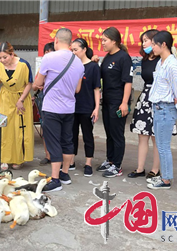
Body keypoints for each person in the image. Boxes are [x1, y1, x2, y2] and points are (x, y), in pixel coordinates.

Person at [32, 28, 84, 192]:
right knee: (67, 141)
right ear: (70, 43)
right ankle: (65, 174)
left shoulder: (49, 57)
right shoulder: (78, 63)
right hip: (69, 108)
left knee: (53, 142)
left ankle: (55, 180)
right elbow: (77, 89)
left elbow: (37, 82)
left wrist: (43, 82)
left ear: (56, 41)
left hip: (52, 108)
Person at [146, 30, 177, 190]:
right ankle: (164, 177)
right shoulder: (161, 62)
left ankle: (165, 180)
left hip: (165, 108)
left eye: (154, 45)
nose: (152, 49)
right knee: (160, 144)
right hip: (158, 107)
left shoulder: (172, 64)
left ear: (163, 45)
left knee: (163, 145)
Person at [128, 29, 170, 180]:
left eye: (146, 40)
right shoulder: (145, 59)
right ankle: (140, 168)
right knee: (142, 135)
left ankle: (155, 169)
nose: (143, 43)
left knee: (156, 137)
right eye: (142, 41)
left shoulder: (164, 59)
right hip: (146, 97)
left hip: (160, 99)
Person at [0, 41, 35, 170]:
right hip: (5, 98)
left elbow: (29, 84)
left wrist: (20, 100)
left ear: (12, 54)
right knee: (4, 127)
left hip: (21, 98)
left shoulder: (23, 65)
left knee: (19, 129)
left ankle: (18, 159)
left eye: (5, 57)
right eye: (0, 58)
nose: (2, 60)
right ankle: (4, 158)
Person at [96, 27, 133, 178]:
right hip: (107, 101)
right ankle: (110, 160)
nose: (102, 43)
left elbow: (128, 82)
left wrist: (124, 103)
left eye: (105, 40)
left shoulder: (124, 57)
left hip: (118, 102)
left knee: (117, 134)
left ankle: (117, 166)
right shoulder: (107, 57)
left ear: (114, 41)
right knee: (109, 133)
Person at [70, 38, 101, 177]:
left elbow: (96, 89)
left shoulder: (93, 67)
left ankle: (88, 163)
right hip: (71, 106)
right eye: (72, 50)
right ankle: (71, 160)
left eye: (76, 49)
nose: (73, 52)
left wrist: (96, 108)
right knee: (71, 135)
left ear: (84, 50)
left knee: (88, 135)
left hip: (87, 107)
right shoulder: (72, 66)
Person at [37, 42, 55, 166]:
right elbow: (34, 85)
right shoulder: (42, 67)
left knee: (57, 130)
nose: (47, 56)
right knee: (45, 128)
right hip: (43, 100)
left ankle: (56, 155)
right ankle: (48, 155)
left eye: (50, 53)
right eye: (46, 53)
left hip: (56, 101)